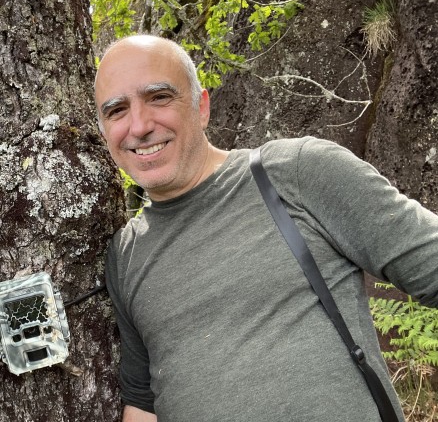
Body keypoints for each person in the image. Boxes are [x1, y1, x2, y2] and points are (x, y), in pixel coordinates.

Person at [95, 35, 438, 422]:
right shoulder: (124, 256)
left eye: (159, 97)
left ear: (201, 106)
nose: (139, 125)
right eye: (117, 110)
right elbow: (143, 403)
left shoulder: (298, 172)